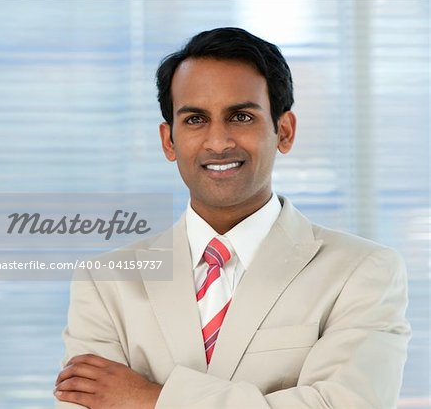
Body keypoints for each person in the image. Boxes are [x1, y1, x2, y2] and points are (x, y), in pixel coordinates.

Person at [54, 27, 410, 409]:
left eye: (240, 116)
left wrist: (149, 399)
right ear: (168, 141)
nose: (218, 142)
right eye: (194, 119)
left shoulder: (362, 271)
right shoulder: (106, 282)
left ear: (284, 131)